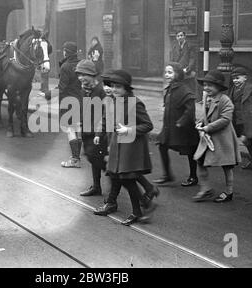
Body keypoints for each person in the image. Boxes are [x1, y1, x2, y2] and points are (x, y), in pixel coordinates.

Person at [93, 69, 154, 225]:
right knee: (125, 181)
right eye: (113, 86)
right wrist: (99, 134)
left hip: (130, 149)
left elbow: (147, 125)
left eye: (118, 87)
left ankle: (138, 211)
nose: (114, 90)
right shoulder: (113, 101)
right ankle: (140, 209)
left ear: (127, 88)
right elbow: (106, 119)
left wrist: (129, 130)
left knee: (128, 181)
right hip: (115, 147)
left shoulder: (135, 103)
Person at [193, 70, 241, 203]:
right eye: (205, 85)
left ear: (219, 87)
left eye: (210, 85)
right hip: (209, 139)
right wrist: (200, 123)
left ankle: (229, 192)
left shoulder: (225, 101)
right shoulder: (206, 98)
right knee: (200, 160)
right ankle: (205, 189)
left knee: (227, 165)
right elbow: (205, 115)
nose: (206, 88)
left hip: (223, 139)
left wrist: (207, 128)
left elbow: (225, 119)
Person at [153, 62, 199, 186]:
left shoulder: (185, 90)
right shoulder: (169, 89)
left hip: (184, 129)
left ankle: (193, 176)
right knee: (162, 145)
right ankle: (167, 175)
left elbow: (190, 110)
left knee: (190, 151)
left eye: (170, 72)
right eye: (166, 72)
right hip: (169, 127)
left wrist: (181, 122)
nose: (166, 75)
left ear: (177, 74)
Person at [39, 41, 82, 168]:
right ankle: (77, 157)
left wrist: (47, 94)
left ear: (66, 52)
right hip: (80, 99)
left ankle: (75, 159)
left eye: (64, 50)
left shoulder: (66, 67)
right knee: (77, 129)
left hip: (68, 101)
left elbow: (61, 88)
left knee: (70, 129)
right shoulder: (80, 64)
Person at [76, 59, 107, 196]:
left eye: (84, 74)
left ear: (92, 75)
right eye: (79, 75)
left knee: (97, 159)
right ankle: (96, 186)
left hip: (98, 133)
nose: (80, 78)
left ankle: (145, 191)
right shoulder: (85, 89)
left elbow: (107, 114)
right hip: (87, 130)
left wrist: (99, 133)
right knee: (91, 157)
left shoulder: (100, 90)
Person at [228, 67, 252, 170]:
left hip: (249, 119)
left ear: (245, 78)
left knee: (245, 139)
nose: (235, 81)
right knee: (245, 140)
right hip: (237, 119)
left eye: (237, 78)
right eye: (234, 78)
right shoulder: (233, 89)